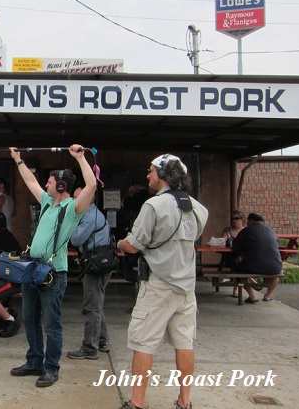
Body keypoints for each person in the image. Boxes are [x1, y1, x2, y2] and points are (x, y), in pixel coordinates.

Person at [117, 154, 208, 409]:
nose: (148, 175)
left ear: (164, 175)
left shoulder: (153, 206)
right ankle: (184, 401)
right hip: (186, 289)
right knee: (184, 343)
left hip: (158, 286)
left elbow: (134, 245)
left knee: (143, 343)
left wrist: (121, 243)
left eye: (151, 171)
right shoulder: (198, 208)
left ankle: (137, 403)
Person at [9, 144, 96, 388]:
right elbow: (29, 181)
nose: (45, 184)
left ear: (61, 186)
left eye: (49, 181)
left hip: (53, 275)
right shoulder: (47, 202)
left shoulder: (73, 208)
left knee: (51, 324)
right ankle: (34, 361)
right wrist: (18, 159)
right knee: (31, 319)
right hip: (32, 271)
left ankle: (51, 368)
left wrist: (80, 158)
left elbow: (91, 186)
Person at [66, 186, 113, 360]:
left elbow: (76, 239)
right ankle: (101, 340)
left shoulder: (89, 217)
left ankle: (89, 348)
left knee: (91, 307)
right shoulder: (92, 214)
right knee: (96, 303)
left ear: (88, 198)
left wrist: (69, 223)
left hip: (95, 266)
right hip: (100, 263)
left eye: (77, 197)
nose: (74, 200)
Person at [232, 213, 283, 303]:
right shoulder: (271, 231)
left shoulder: (246, 231)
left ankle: (252, 296)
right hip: (275, 266)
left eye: (248, 220)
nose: (247, 222)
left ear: (252, 220)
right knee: (276, 274)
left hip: (253, 266)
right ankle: (268, 295)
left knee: (237, 269)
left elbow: (235, 248)